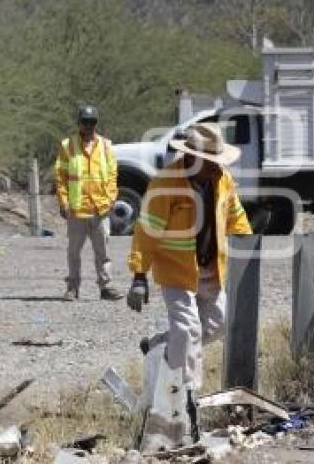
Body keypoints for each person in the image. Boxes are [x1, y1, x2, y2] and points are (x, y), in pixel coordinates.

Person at [126, 122, 251, 439]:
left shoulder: (222, 180)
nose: (215, 166)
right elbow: (146, 231)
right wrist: (139, 275)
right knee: (189, 329)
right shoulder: (166, 184)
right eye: (210, 161)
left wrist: (248, 240)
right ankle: (188, 399)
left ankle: (159, 344)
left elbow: (234, 214)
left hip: (210, 269)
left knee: (218, 323)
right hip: (176, 271)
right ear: (193, 158)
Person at [54, 105, 123, 301]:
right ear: (79, 123)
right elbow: (61, 177)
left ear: (96, 124)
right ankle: (72, 288)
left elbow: (112, 175)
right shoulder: (68, 146)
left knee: (103, 252)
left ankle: (106, 287)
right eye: (85, 122)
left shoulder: (106, 146)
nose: (89, 126)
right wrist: (64, 203)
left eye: (92, 122)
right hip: (76, 210)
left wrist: (110, 200)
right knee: (74, 252)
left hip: (100, 209)